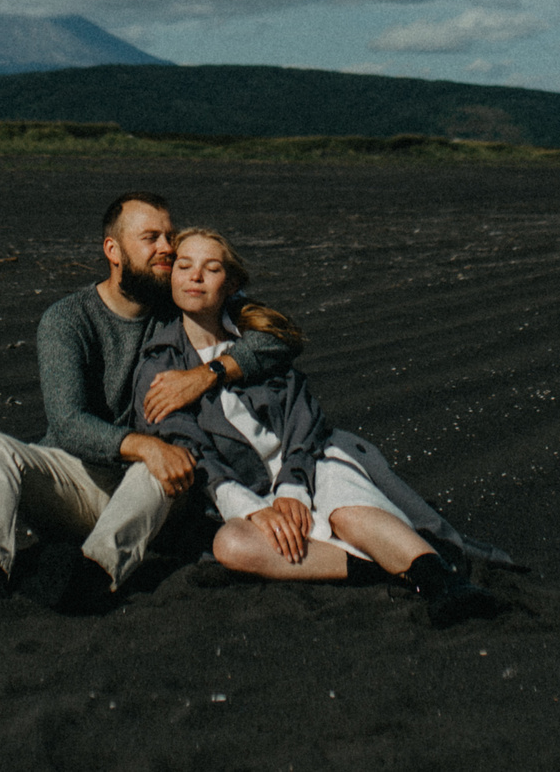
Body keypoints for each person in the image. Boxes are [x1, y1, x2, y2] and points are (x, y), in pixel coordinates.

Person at [0, 192, 300, 613]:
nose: (167, 249)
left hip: (157, 498)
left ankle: (94, 575)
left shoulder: (180, 304)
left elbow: (279, 338)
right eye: (151, 238)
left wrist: (205, 375)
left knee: (163, 466)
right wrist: (143, 444)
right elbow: (68, 424)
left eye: (169, 236)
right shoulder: (68, 319)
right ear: (113, 250)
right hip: (78, 484)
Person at [130, 226, 508, 628]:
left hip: (311, 461)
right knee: (232, 544)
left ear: (232, 282)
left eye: (211, 268)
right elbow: (189, 449)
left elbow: (304, 421)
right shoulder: (159, 363)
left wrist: (294, 487)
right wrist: (255, 511)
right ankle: (392, 565)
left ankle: (441, 584)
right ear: (170, 275)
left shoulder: (256, 346)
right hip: (244, 489)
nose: (195, 277)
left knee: (346, 514)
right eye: (184, 266)